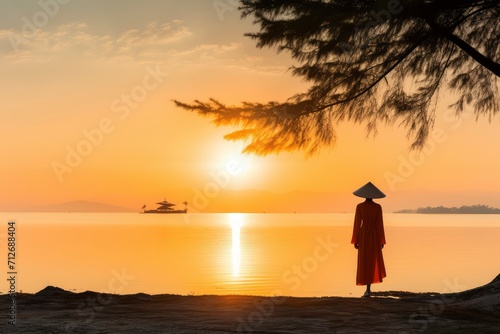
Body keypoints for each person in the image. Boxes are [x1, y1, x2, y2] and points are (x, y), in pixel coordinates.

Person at [351, 182, 387, 297]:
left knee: (365, 261)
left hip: (364, 235)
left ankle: (367, 289)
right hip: (374, 236)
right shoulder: (377, 207)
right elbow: (380, 225)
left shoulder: (360, 207)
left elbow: (357, 224)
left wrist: (356, 240)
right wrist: (381, 240)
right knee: (370, 261)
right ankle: (368, 288)